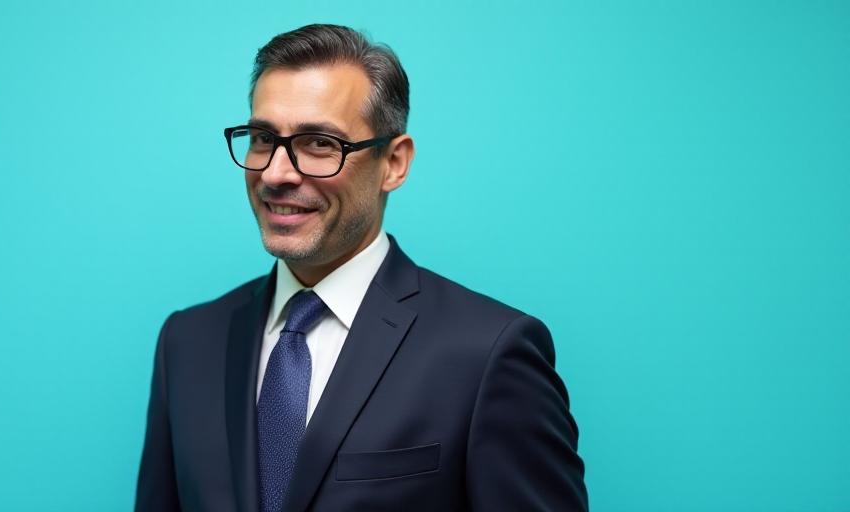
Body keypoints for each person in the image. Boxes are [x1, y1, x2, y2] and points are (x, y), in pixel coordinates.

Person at [135, 24, 587, 512]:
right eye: (263, 138)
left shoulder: (486, 353)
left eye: (319, 143)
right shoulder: (187, 342)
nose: (276, 173)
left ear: (394, 162)